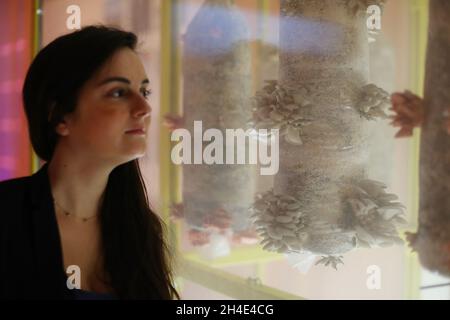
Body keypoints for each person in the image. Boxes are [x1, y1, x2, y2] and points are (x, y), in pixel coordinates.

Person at [0, 25, 179, 300]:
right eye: (118, 93)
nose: (144, 108)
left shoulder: (142, 229)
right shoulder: (7, 215)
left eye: (144, 92)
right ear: (59, 116)